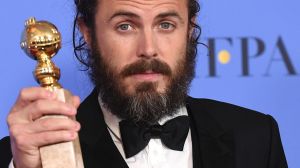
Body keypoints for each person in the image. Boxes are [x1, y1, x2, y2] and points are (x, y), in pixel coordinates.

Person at [0, 0, 288, 167]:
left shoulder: (257, 137)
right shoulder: (26, 156)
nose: (148, 49)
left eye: (166, 24)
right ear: (87, 32)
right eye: (125, 25)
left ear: (189, 29)